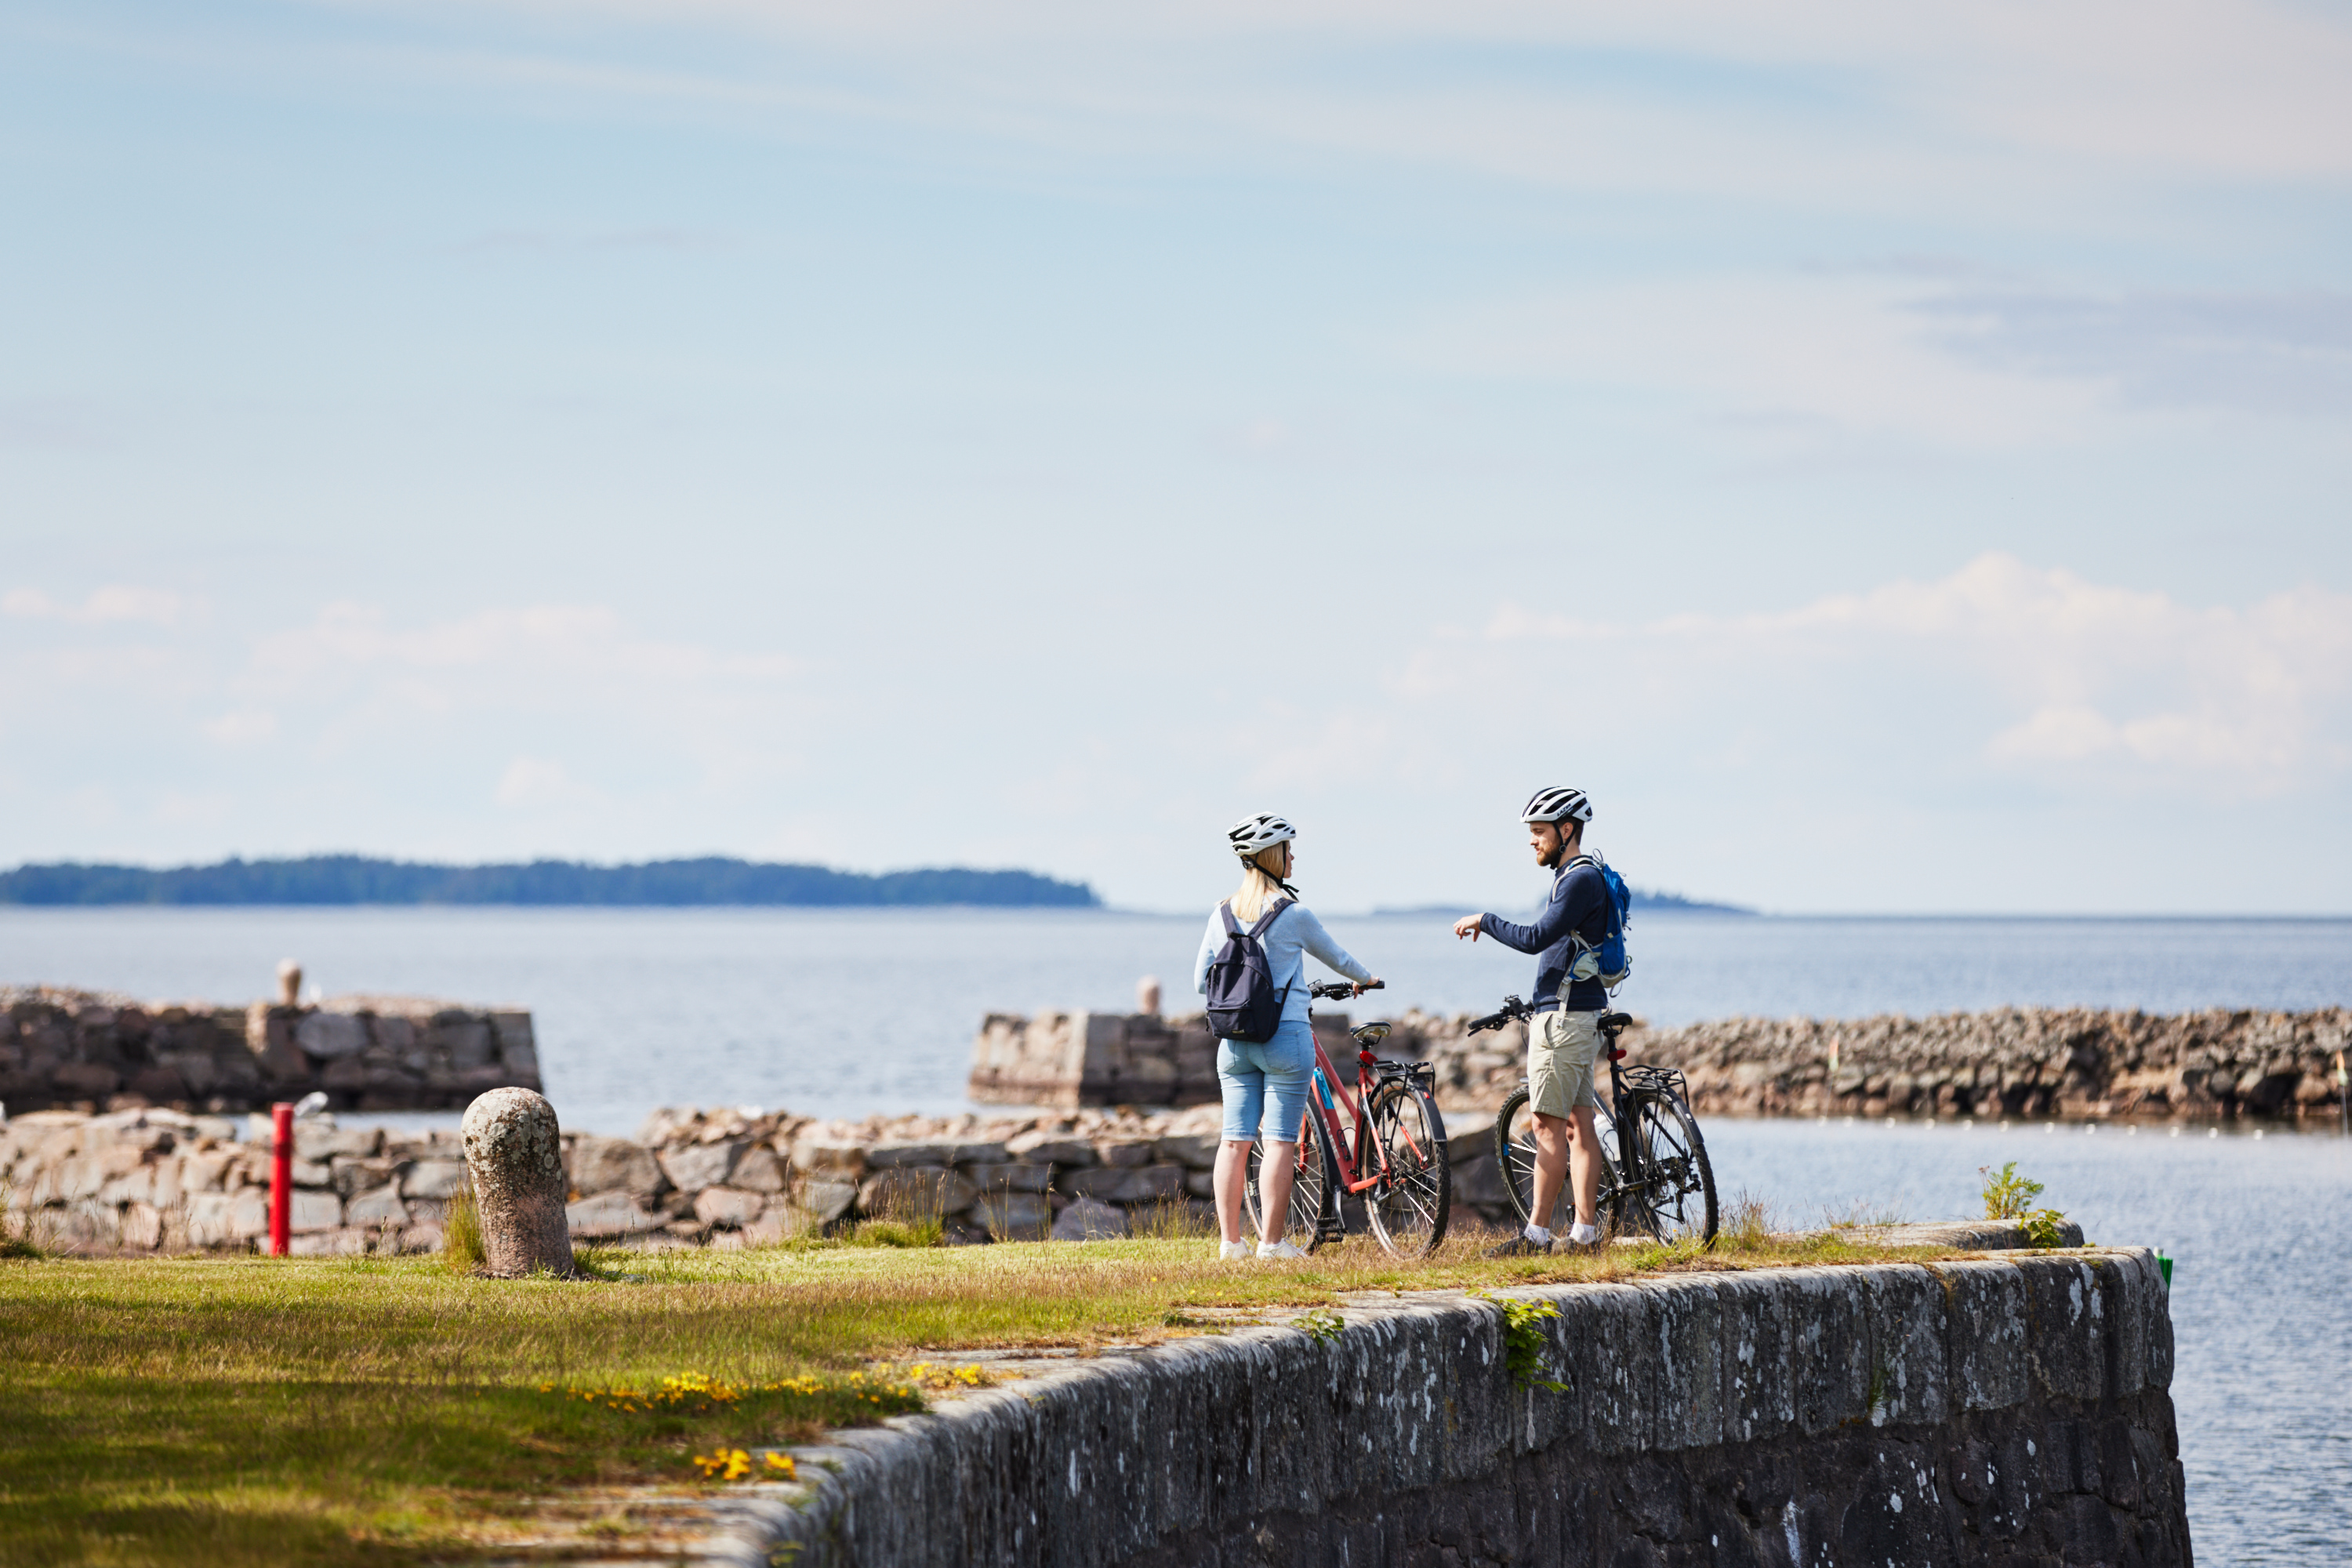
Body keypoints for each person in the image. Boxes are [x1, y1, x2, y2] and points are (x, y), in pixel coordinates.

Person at [1194, 813, 1381, 1261]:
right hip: (1284, 1038)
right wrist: (1367, 979)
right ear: (1271, 856)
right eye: (1287, 849)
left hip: (1234, 1043)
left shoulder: (1221, 914)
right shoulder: (1293, 914)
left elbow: (1201, 981)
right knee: (1279, 1140)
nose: (1293, 856)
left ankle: (1230, 1244)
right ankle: (1272, 1244)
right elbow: (1338, 958)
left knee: (1234, 1141)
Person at [1453, 786, 1609, 1256]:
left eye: (1539, 831)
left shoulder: (1578, 879)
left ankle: (1536, 1235)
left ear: (1567, 829)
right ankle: (1584, 1234)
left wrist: (1485, 920)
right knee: (1579, 1125)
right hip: (1576, 1013)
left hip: (1563, 1019)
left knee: (1547, 1126)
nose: (1532, 840)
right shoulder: (1579, 876)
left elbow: (1535, 938)